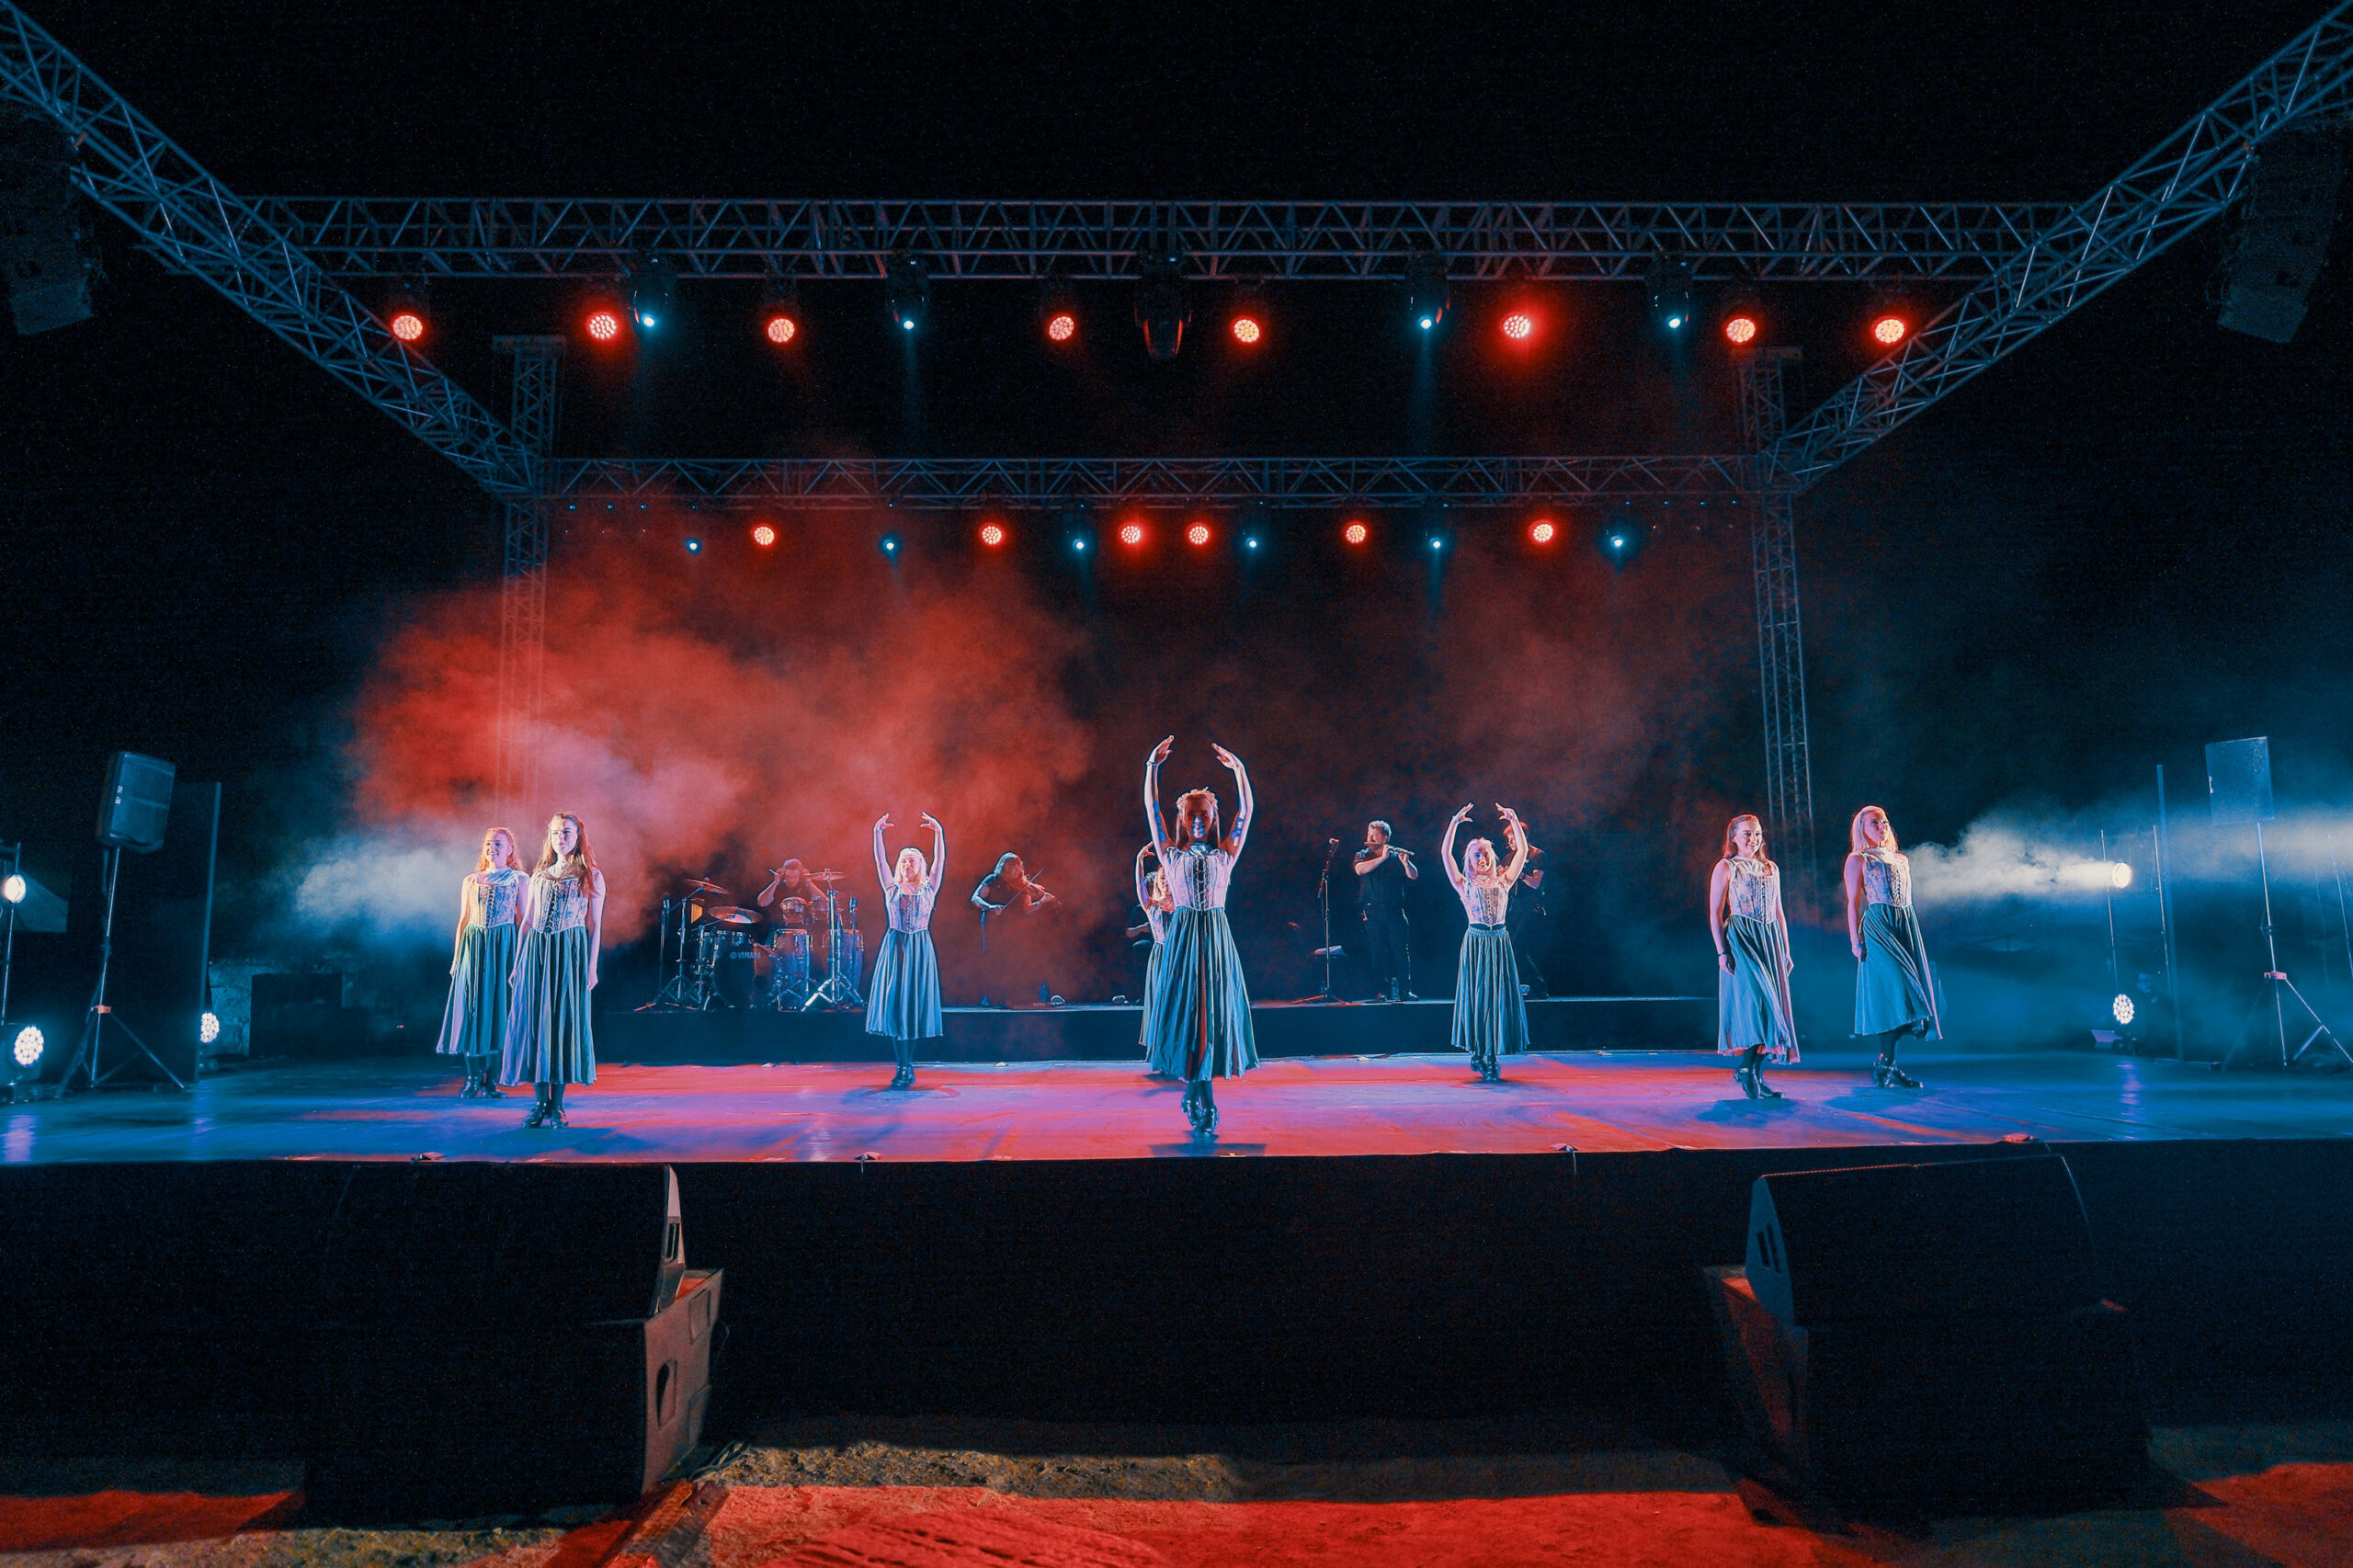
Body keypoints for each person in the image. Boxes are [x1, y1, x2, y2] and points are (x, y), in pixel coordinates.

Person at [1143, 737, 1258, 1136]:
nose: (1197, 820)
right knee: (1191, 1015)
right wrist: (1152, 768)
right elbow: (1152, 810)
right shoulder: (1170, 855)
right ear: (1183, 819)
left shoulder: (1226, 854)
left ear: (1212, 818)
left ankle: (1199, 1089)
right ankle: (1200, 1091)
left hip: (1216, 937)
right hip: (1184, 937)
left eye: (1204, 814)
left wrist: (1239, 771)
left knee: (1211, 1015)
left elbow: (1247, 812)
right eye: (1191, 814)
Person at [501, 812, 605, 1128]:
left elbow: (595, 925)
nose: (561, 837)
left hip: (568, 954)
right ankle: (539, 1103)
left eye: (567, 832)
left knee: (560, 1024)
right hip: (537, 953)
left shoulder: (591, 875)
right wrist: (518, 963)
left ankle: (556, 1105)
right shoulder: (539, 876)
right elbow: (527, 922)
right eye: (557, 832)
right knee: (536, 1024)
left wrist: (591, 967)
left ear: (578, 836)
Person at [1845, 804, 1939, 1089]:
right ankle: (1888, 1062)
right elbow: (1853, 903)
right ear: (1862, 828)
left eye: (1883, 822)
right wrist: (1855, 940)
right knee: (1899, 989)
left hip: (1905, 924)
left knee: (1905, 1001)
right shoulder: (1858, 859)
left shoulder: (1901, 858)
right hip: (1879, 927)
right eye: (1874, 823)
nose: (1881, 827)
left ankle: (1887, 1063)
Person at [1440, 804, 1532, 1082]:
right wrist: (1454, 823)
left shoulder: (1504, 881)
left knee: (1497, 998)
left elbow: (1522, 852)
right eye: (1476, 854)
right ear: (1469, 860)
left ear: (1493, 858)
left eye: (1485, 853)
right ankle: (1480, 1051)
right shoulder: (1464, 884)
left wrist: (1514, 819)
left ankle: (1491, 1054)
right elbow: (1445, 854)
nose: (1481, 858)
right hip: (1477, 943)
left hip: (1499, 942)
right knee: (1479, 998)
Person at [1710, 813, 1798, 1099]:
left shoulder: (1770, 867)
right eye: (1747, 833)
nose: (1753, 839)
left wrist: (1786, 950)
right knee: (1760, 1005)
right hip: (1742, 938)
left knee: (1773, 1011)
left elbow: (1779, 911)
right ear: (1734, 837)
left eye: (1757, 833)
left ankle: (1754, 1074)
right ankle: (1747, 1068)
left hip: (1769, 939)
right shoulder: (1727, 867)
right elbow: (1715, 912)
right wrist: (1722, 951)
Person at [434, 825, 526, 1098]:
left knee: (499, 1011)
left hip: (503, 949)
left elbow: (524, 921)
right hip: (473, 948)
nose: (492, 848)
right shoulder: (471, 880)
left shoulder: (519, 879)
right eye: (488, 843)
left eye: (498, 844)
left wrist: (521, 958)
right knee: (471, 1010)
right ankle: (473, 1078)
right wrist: (456, 958)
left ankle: (492, 1080)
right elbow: (463, 920)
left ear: (510, 849)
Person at [864, 812, 946, 1088]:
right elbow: (880, 862)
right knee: (896, 1005)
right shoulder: (891, 888)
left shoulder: (928, 889)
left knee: (913, 1006)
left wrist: (939, 833)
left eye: (912, 860)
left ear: (920, 865)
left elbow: (940, 863)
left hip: (919, 948)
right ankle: (902, 1065)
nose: (907, 863)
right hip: (896, 948)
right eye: (903, 860)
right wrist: (877, 833)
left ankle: (907, 1064)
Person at [970, 852, 1058, 1006]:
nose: (1017, 870)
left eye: (1018, 867)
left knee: (1012, 959)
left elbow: (1027, 909)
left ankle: (1010, 996)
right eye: (1013, 867)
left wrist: (1042, 902)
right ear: (1004, 867)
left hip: (1014, 928)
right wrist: (990, 907)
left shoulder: (1023, 885)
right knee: (993, 958)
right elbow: (976, 898)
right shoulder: (993, 880)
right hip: (993, 925)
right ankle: (989, 996)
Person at [1353, 821, 1418, 1001]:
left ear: (1385, 838)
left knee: (1400, 951)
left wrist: (1406, 864)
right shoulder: (1362, 855)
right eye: (1369, 834)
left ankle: (1405, 990)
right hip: (1372, 912)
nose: (1370, 838)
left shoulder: (1396, 856)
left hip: (1395, 912)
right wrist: (1381, 858)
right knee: (1377, 952)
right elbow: (1359, 870)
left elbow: (1414, 875)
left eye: (1374, 835)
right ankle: (1381, 991)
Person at [1131, 844, 1174, 1056]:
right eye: (1161, 879)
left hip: (1179, 956)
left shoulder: (1183, 906)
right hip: (1160, 956)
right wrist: (1139, 861)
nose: (1164, 882)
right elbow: (1140, 885)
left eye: (1168, 879)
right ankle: (1161, 1049)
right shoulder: (1151, 906)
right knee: (1160, 1003)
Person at [1504, 822, 1550, 998]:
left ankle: (1538, 986)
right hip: (1513, 907)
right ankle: (1523, 986)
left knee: (1517, 945)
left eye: (1512, 838)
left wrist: (1520, 874)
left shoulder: (1537, 855)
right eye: (1508, 839)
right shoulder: (1509, 858)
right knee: (1512, 948)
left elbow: (1536, 883)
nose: (1510, 842)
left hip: (1531, 907)